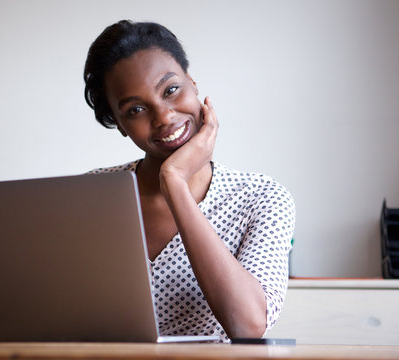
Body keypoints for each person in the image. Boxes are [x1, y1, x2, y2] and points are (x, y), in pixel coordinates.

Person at [83, 20, 295, 343]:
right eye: (136, 109)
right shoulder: (90, 196)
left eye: (171, 90)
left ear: (192, 83)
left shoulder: (262, 198)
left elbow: (249, 325)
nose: (164, 116)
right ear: (120, 124)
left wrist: (175, 182)